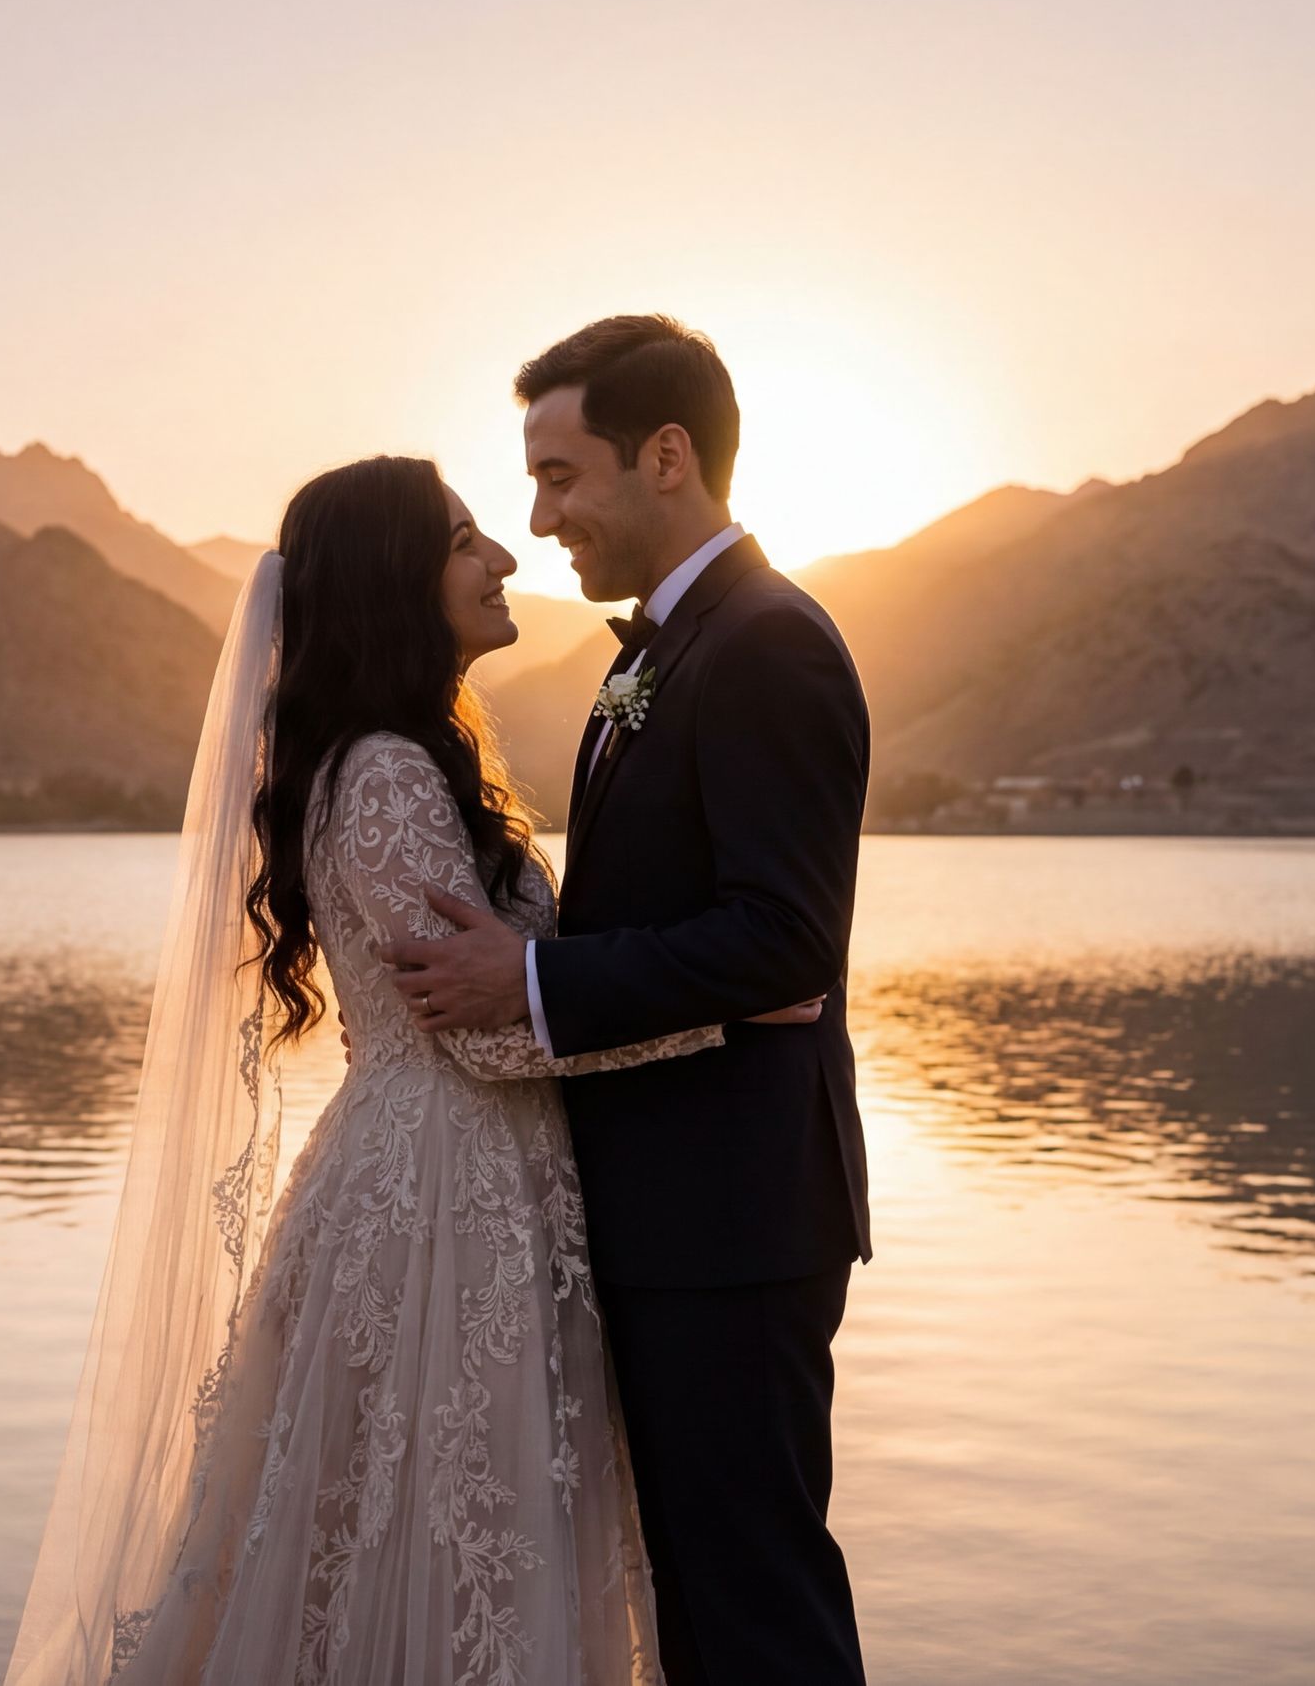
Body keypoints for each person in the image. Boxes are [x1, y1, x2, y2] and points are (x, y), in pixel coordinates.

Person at [5, 450, 816, 1686]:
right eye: (464, 541)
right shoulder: (383, 771)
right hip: (440, 1196)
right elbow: (478, 1029)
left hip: (464, 1170)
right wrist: (725, 1016)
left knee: (438, 1545)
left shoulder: (403, 758)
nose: (502, 557)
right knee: (443, 1538)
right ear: (394, 580)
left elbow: (490, 992)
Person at [386, 315, 873, 1685]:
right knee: (700, 1610)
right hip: (672, 1211)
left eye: (561, 476)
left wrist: (530, 977)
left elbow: (785, 937)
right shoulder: (667, 648)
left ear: (666, 456)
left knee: (755, 1606)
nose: (541, 520)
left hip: (735, 1214)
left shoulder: (769, 642)